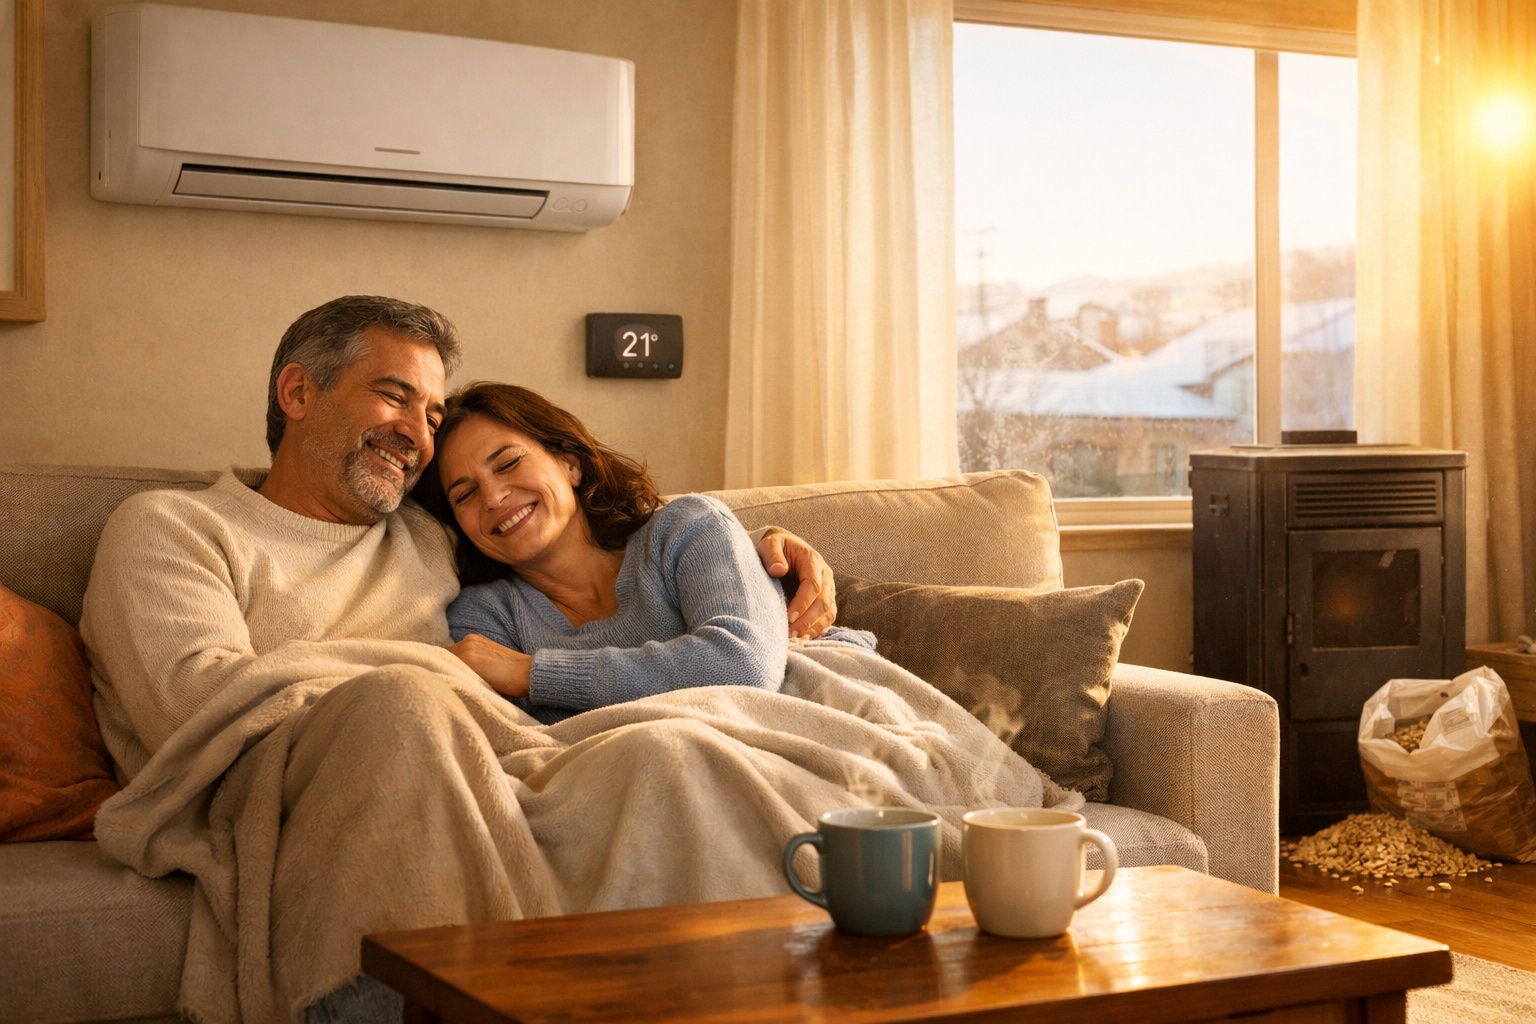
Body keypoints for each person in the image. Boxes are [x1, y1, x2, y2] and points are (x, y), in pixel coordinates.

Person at [79, 295, 841, 1023]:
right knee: (400, 704)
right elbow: (193, 705)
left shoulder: (436, 535)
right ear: (297, 391)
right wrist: (422, 679)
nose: (419, 431)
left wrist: (768, 555)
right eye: (394, 396)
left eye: (432, 413)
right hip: (296, 782)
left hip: (499, 768)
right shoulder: (174, 527)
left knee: (661, 759)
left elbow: (600, 544)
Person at [420, 382, 793, 723]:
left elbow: (744, 665)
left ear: (570, 463)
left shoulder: (686, 528)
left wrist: (531, 674)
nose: (493, 498)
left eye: (508, 463)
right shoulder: (484, 619)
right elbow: (520, 741)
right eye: (464, 494)